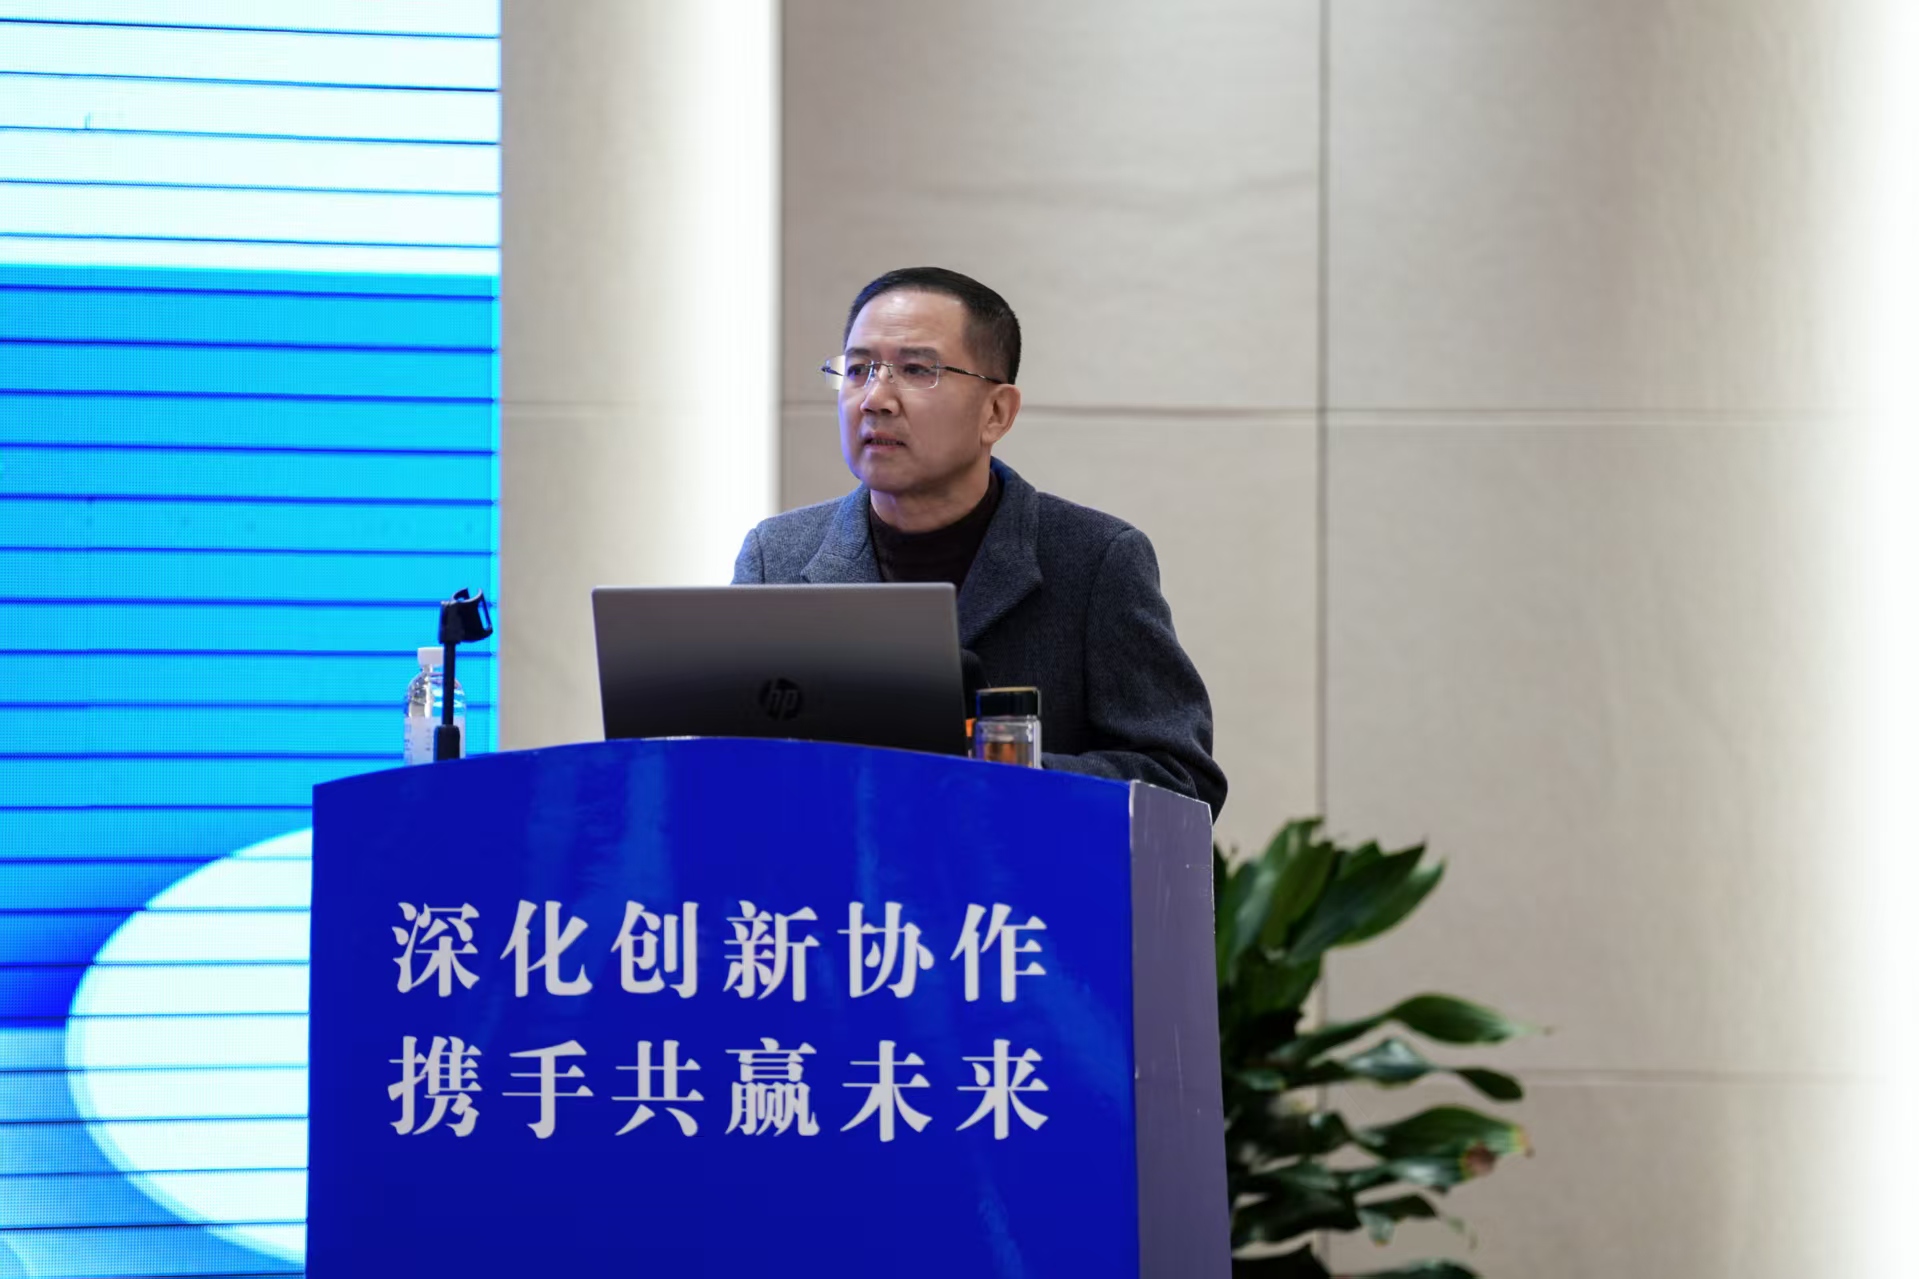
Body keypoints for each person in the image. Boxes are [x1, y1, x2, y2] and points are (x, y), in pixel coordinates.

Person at [731, 266, 1227, 818]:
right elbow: (727, 763)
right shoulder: (777, 554)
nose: (875, 399)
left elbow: (1180, 780)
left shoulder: (1095, 559)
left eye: (916, 370)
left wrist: (1002, 774)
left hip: (1015, 872)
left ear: (996, 412)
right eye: (858, 369)